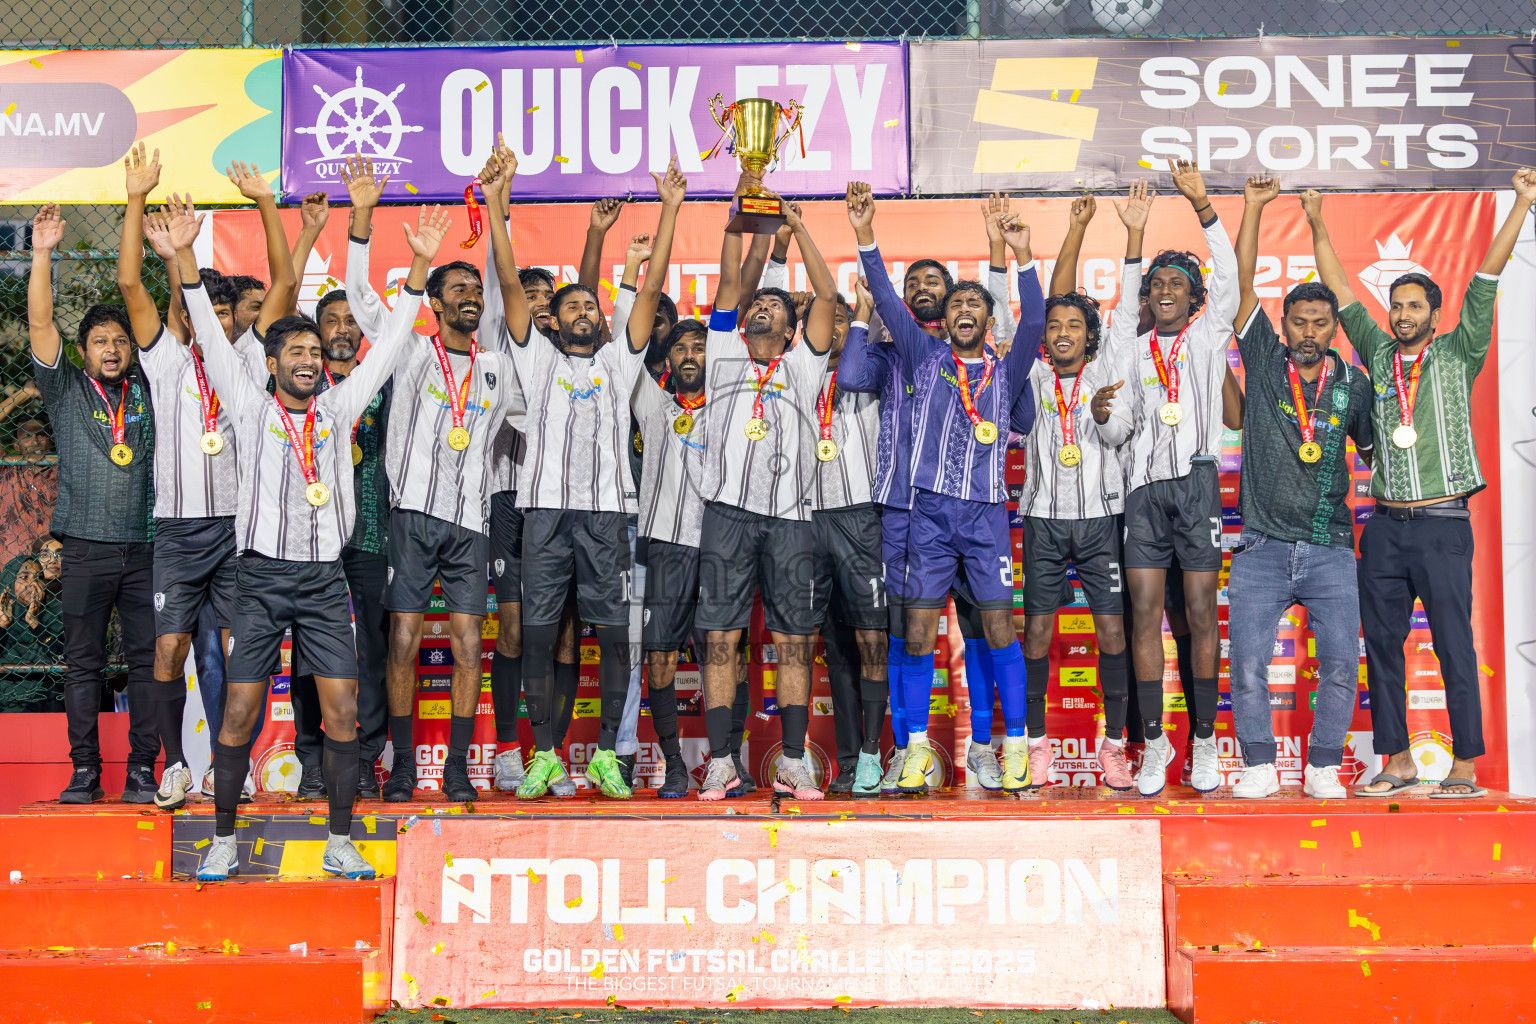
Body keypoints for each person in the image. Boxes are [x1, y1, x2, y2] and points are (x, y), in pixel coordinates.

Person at [176, 192, 444, 880]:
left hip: (326, 581)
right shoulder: (248, 404)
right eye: (292, 350)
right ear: (270, 364)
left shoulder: (338, 406)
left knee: (343, 712)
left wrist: (417, 269)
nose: (306, 358)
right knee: (238, 712)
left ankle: (340, 838)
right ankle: (226, 837)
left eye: (312, 351)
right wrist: (182, 256)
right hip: (260, 580)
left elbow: (387, 348)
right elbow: (208, 333)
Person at [1306, 169, 1536, 799]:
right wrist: (1318, 222)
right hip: (1383, 528)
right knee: (1381, 645)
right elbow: (1339, 286)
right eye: (1397, 306)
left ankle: (1463, 766)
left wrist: (1521, 203)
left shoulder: (1461, 349)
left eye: (1414, 307)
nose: (1402, 315)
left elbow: (1488, 275)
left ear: (1435, 314)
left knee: (1455, 646)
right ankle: (1398, 759)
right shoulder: (1377, 354)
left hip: (1441, 525)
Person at [492, 148, 685, 800]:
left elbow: (651, 290)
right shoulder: (535, 363)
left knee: (612, 635)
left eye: (587, 307)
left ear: (601, 320)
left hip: (608, 515)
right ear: (551, 323)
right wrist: (496, 204)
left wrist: (669, 212)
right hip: (543, 514)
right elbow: (510, 286)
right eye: (568, 306)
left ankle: (606, 753)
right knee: (541, 635)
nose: (579, 311)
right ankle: (544, 752)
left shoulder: (618, 365)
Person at [848, 182, 1044, 794]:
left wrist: (1024, 256)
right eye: (955, 304)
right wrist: (865, 235)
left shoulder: (1008, 367)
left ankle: (1013, 748)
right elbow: (883, 293)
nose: (961, 310)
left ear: (988, 320)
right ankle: (910, 752)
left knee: (1000, 631)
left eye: (974, 305)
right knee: (915, 634)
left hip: (985, 516)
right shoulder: (922, 353)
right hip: (926, 516)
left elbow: (1035, 318)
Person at [340, 160, 521, 805]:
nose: (471, 295)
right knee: (405, 637)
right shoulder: (412, 352)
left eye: (476, 287)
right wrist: (362, 220)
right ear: (436, 301)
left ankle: (453, 771)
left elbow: (509, 297)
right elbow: (362, 300)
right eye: (459, 287)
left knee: (473, 638)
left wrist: (497, 205)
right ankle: (404, 764)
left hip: (471, 521)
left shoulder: (498, 367)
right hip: (412, 515)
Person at [1224, 176, 1375, 800]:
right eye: (1299, 320)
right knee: (1249, 668)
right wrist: (1254, 207)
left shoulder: (1355, 386)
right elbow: (1240, 283)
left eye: (1320, 322)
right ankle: (1259, 764)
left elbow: (1374, 451)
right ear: (1282, 325)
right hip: (1259, 546)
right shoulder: (1261, 361)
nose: (1309, 331)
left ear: (1333, 329)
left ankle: (1320, 766)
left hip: (1332, 547)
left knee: (1342, 665)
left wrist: (1318, 226)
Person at [692, 174, 840, 801]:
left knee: (793, 641)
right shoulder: (723, 349)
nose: (762, 308)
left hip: (791, 518)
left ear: (790, 328)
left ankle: (795, 759)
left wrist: (798, 226)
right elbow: (733, 278)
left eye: (777, 307)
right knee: (722, 638)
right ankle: (723, 760)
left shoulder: (804, 362)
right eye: (758, 304)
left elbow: (828, 294)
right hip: (725, 513)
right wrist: (742, 211)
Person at [1109, 161, 1237, 798]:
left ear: (1194, 297)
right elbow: (1120, 427)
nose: (1163, 290)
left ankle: (1207, 744)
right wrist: (1109, 418)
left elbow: (1232, 277)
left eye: (1176, 284)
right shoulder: (1133, 350)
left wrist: (1203, 206)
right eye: (1155, 283)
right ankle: (1155, 744)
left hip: (1196, 483)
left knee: (1200, 613)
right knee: (1144, 614)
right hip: (1142, 491)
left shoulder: (1210, 335)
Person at [27, 203, 157, 805]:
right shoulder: (65, 388)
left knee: (149, 660)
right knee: (83, 663)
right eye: (100, 341)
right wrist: (43, 253)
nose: (111, 348)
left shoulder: (151, 386)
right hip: (83, 547)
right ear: (82, 351)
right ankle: (84, 771)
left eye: (119, 340)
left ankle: (143, 770)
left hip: (150, 547)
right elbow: (39, 326)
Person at [278, 158, 395, 802]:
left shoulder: (383, 382)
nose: (344, 330)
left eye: (352, 322)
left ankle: (369, 759)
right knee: (307, 657)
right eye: (332, 324)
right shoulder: (299, 392)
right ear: (315, 339)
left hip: (373, 535)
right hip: (313, 541)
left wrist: (361, 220)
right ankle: (313, 758)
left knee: (370, 656)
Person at [1015, 195, 1136, 792]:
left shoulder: (1104, 368)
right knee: (1036, 633)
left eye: (1075, 326)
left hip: (1101, 521)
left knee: (1112, 633)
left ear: (1090, 337)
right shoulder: (1032, 373)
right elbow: (1045, 304)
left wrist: (1099, 409)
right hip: (1040, 520)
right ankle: (1036, 746)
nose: (1062, 333)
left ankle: (1113, 745)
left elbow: (1115, 429)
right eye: (1055, 328)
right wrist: (1076, 229)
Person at [632, 319, 710, 797]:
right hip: (663, 543)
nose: (687, 355)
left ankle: (725, 761)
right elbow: (623, 336)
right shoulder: (653, 404)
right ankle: (675, 765)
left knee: (725, 658)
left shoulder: (733, 407)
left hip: (723, 544)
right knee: (659, 658)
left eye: (698, 348)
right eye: (679, 347)